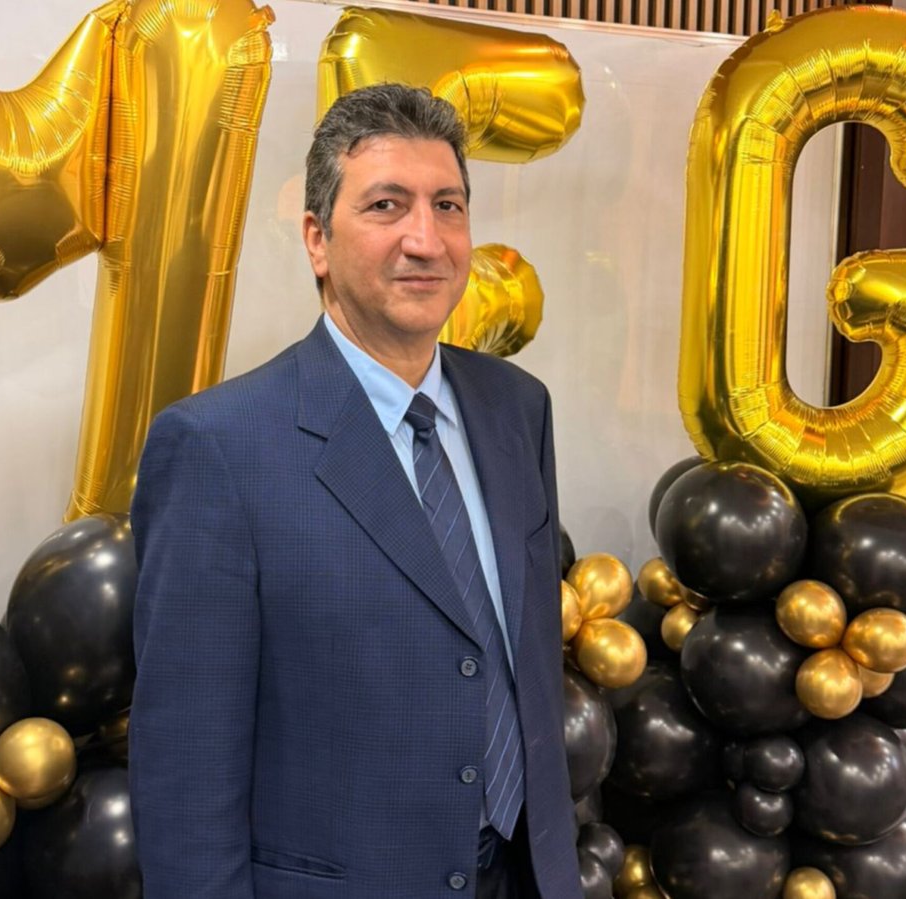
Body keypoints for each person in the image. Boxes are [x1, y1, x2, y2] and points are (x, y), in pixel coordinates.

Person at [128, 83, 580, 899]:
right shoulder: (218, 447)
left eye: (448, 206)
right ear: (317, 239)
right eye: (385, 205)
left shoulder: (520, 409)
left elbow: (528, 675)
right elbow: (186, 773)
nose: (425, 239)